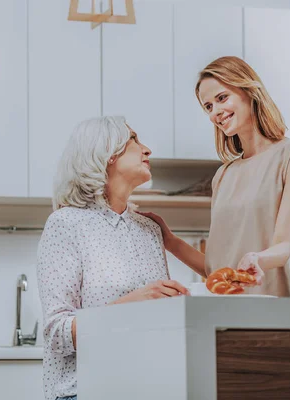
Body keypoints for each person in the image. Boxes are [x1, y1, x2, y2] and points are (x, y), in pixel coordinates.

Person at [139, 56, 290, 297]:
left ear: (249, 91)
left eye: (221, 98)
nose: (216, 112)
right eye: (208, 106)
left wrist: (257, 259)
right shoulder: (224, 175)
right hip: (230, 314)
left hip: (286, 312)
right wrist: (170, 240)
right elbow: (215, 270)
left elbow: (282, 248)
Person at [36, 116, 190, 400]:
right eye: (134, 139)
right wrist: (132, 303)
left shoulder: (149, 229)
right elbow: (56, 334)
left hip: (149, 390)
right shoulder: (66, 223)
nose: (147, 150)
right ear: (106, 152)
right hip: (84, 392)